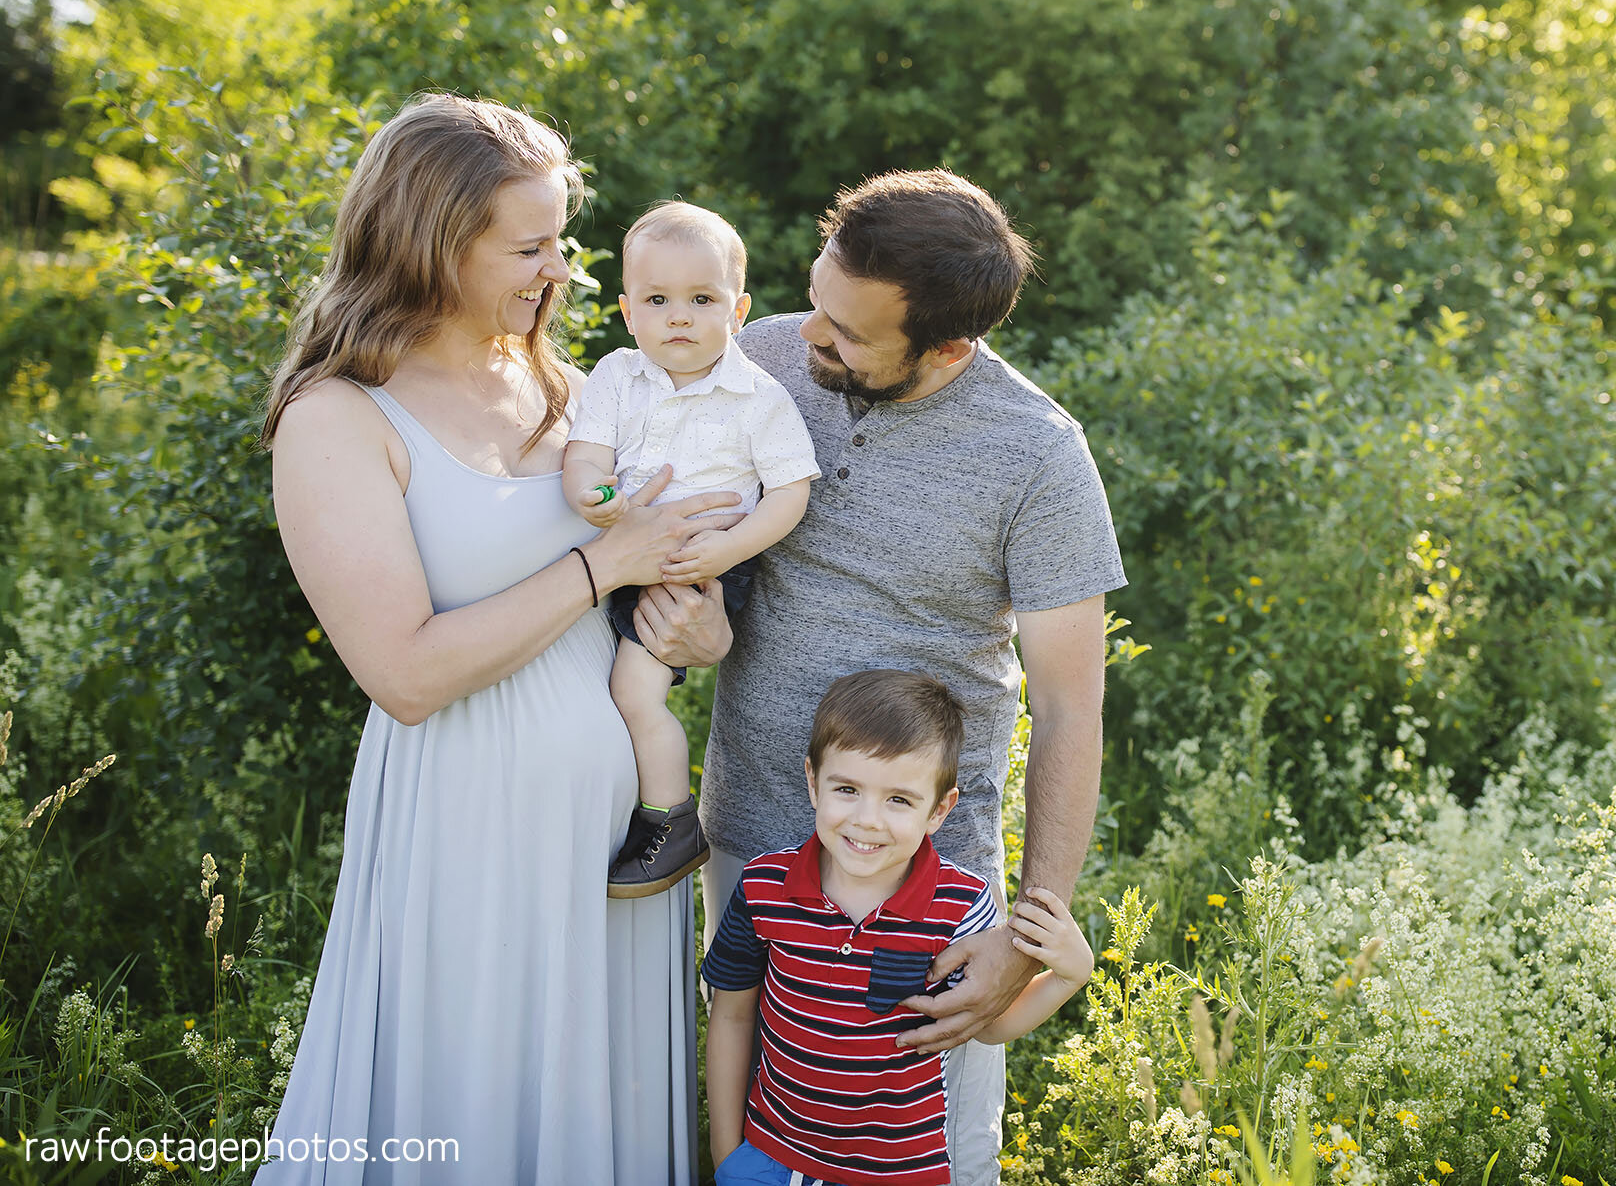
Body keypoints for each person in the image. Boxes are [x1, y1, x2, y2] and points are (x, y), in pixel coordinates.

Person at [258, 93, 731, 1185]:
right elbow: (406, 674)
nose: (558, 270)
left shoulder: (573, 391)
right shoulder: (341, 416)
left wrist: (687, 621)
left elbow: (643, 587)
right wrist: (602, 565)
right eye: (529, 246)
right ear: (432, 245)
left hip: (616, 850)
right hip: (468, 834)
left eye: (560, 239)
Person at [698, 169, 1127, 1181]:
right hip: (745, 854)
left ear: (945, 345)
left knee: (915, 1161)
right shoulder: (757, 361)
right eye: (817, 302)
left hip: (921, 893)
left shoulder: (1037, 457)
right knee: (734, 1147)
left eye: (847, 338)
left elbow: (1071, 708)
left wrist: (1024, 937)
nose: (809, 340)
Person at [702, 671, 1092, 1186]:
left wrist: (1069, 976)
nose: (867, 820)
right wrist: (728, 1154)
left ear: (939, 809)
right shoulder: (764, 887)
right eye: (847, 789)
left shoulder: (959, 905)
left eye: (899, 800)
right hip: (770, 1159)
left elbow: (988, 1023)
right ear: (813, 782)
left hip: (897, 1173)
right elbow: (731, 1017)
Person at [563, 201, 819, 899]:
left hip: (695, 568)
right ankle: (619, 805)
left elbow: (790, 492)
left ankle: (671, 820)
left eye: (701, 299)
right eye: (658, 299)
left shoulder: (757, 396)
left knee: (633, 689)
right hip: (621, 547)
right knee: (591, 684)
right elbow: (586, 453)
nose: (679, 316)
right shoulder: (618, 376)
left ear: (737, 310)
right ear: (626, 311)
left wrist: (725, 549)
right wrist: (594, 494)